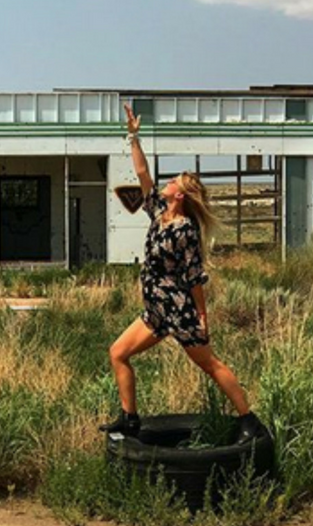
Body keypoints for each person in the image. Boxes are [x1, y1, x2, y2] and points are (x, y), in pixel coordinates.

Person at [98, 104, 265, 444]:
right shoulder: (159, 213)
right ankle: (130, 419)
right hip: (156, 311)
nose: (167, 182)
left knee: (209, 364)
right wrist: (133, 136)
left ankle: (249, 421)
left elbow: (194, 275)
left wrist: (202, 317)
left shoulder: (185, 229)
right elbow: (143, 173)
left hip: (179, 311)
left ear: (181, 195)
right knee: (118, 353)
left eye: (173, 181)